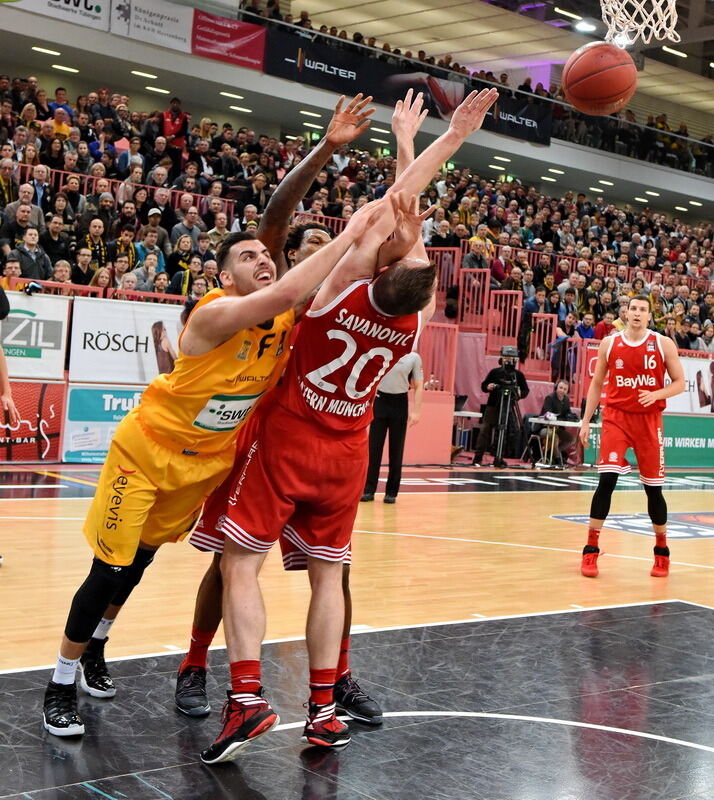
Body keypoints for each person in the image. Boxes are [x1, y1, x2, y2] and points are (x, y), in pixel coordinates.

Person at [198, 86, 498, 764]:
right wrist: (440, 140)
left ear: (378, 268)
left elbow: (397, 205)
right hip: (346, 452)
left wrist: (430, 139)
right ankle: (324, 711)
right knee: (329, 578)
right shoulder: (413, 323)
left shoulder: (344, 287)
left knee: (240, 563)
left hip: (289, 437)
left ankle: (246, 698)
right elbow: (407, 221)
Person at [40, 151, 386, 737]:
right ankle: (59, 681)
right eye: (248, 257)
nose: (263, 260)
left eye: (265, 256)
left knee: (139, 563)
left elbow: (304, 285)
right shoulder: (215, 311)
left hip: (205, 464)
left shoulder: (288, 321)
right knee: (111, 568)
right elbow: (278, 241)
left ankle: (97, 644)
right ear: (225, 278)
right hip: (144, 453)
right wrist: (348, 221)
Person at [174, 93, 382, 729]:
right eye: (308, 244)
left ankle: (337, 677)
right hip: (259, 436)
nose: (317, 248)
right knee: (230, 562)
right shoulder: (279, 293)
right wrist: (326, 149)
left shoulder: (350, 300)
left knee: (336, 569)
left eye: (326, 241)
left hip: (323, 448)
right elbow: (275, 217)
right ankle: (194, 663)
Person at [579, 295, 685, 579]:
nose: (637, 313)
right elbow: (597, 383)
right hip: (616, 418)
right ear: (625, 314)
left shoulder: (663, 343)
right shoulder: (610, 343)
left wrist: (656, 394)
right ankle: (590, 549)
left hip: (649, 421)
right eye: (633, 309)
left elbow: (680, 383)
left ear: (650, 316)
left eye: (643, 310)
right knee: (607, 480)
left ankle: (661, 551)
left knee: (653, 490)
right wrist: (585, 422)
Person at [361, 351, 423, 503]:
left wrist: (416, 411)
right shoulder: (385, 351)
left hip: (399, 403)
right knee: (374, 449)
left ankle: (391, 492)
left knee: (396, 450)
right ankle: (369, 490)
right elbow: (370, 378)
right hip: (381, 401)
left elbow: (418, 385)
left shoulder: (413, 357)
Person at [472, 346, 529, 468]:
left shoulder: (518, 375)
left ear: (516, 360)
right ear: (501, 358)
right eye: (506, 358)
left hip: (508, 406)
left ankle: (499, 457)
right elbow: (484, 386)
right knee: (485, 430)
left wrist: (519, 393)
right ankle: (478, 457)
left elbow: (525, 390)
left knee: (505, 431)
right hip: (493, 405)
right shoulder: (495, 372)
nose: (508, 360)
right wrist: (489, 386)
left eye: (511, 358)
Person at [538, 380, 577, 463]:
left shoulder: (566, 399)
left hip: (558, 428)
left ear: (567, 391)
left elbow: (568, 413)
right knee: (555, 437)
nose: (562, 390)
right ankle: (558, 459)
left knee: (571, 439)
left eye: (565, 389)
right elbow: (547, 415)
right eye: (561, 388)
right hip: (545, 428)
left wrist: (572, 417)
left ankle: (553, 453)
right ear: (556, 387)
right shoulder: (549, 398)